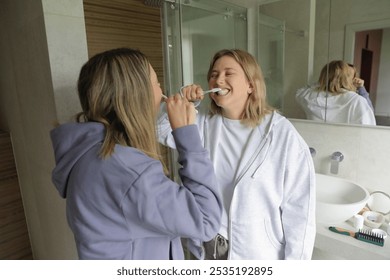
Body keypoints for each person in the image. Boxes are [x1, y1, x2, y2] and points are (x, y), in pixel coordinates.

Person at [50, 48, 222, 260]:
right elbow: (206, 220)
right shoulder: (128, 171)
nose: (162, 92)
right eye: (157, 83)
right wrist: (187, 134)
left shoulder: (86, 153)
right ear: (137, 94)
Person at [158, 49, 316, 260]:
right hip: (208, 247)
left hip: (256, 253)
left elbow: (300, 214)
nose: (218, 79)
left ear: (251, 85)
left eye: (228, 73)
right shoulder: (201, 123)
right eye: (214, 74)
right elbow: (159, 130)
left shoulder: (281, 134)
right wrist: (187, 106)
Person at [296, 60, 376, 125]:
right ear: (347, 78)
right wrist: (361, 88)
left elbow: (304, 89)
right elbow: (369, 127)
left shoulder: (307, 96)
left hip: (316, 141)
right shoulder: (357, 100)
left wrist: (325, 81)